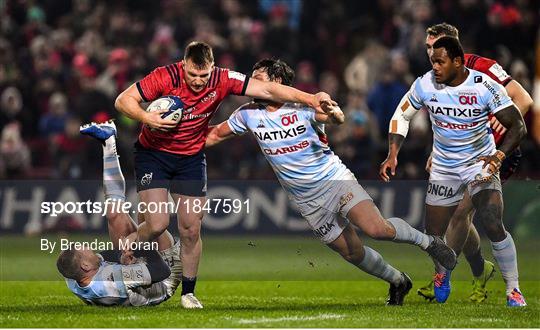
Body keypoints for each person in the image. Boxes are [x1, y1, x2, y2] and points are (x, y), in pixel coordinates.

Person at [205, 58, 457, 306]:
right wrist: (178, 137)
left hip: (334, 180)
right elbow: (215, 134)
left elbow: (336, 118)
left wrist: (334, 112)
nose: (252, 84)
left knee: (377, 229)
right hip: (306, 199)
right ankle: (399, 280)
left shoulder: (300, 105)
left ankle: (429, 243)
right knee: (352, 252)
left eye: (258, 78)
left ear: (277, 81)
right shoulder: (248, 114)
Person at [114, 41, 334, 308]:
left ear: (212, 68)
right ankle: (134, 240)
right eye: (192, 75)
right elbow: (123, 100)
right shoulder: (165, 75)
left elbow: (267, 88)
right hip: (153, 155)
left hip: (191, 159)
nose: (197, 81)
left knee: (191, 229)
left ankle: (189, 293)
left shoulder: (223, 78)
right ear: (183, 65)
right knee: (158, 223)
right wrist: (147, 118)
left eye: (203, 76)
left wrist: (312, 99)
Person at [386, 22, 533, 304]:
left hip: (491, 153)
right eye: (428, 49)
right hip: (454, 157)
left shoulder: (485, 70)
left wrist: (492, 138)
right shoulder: (431, 79)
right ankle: (479, 270)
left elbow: (523, 101)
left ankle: (454, 277)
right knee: (458, 217)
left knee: (464, 215)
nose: (431, 54)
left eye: (435, 47)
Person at [56, 120, 182, 306]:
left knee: (114, 214)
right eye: (86, 250)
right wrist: (137, 240)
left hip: (136, 271)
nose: (91, 248)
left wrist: (123, 255)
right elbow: (160, 272)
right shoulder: (111, 283)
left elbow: (103, 257)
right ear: (85, 266)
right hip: (165, 278)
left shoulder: (75, 278)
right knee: (150, 220)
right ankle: (164, 152)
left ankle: (108, 142)